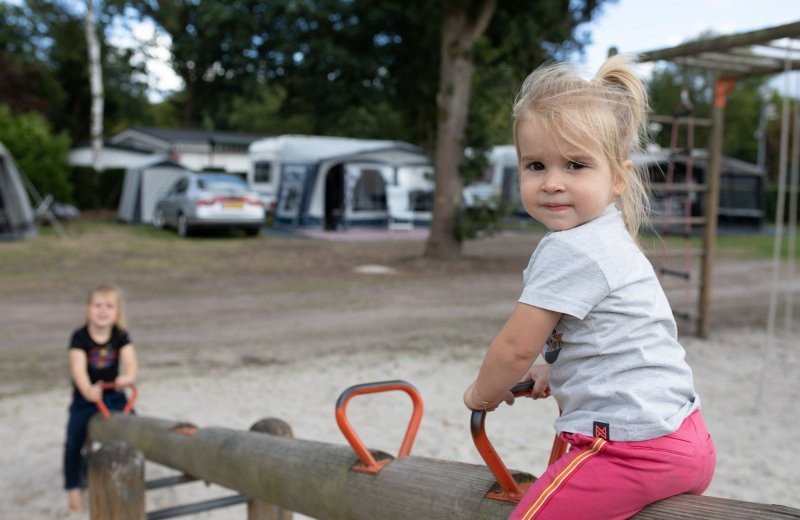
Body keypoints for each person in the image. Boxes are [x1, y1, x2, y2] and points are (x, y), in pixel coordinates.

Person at [463, 55, 715, 520]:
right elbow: (612, 342)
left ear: (618, 177)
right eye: (536, 165)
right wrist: (553, 370)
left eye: (575, 165)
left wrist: (482, 393)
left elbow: (514, 348)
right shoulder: (609, 236)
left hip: (628, 446)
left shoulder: (570, 249)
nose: (553, 183)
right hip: (684, 435)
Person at [63, 283, 138, 513]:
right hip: (86, 398)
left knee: (135, 428)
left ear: (117, 312)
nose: (102, 310)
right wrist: (86, 389)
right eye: (97, 305)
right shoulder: (79, 337)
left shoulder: (120, 335)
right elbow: (77, 367)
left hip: (114, 395)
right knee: (74, 440)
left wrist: (128, 377)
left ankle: (130, 473)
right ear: (88, 309)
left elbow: (132, 362)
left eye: (109, 306)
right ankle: (73, 487)